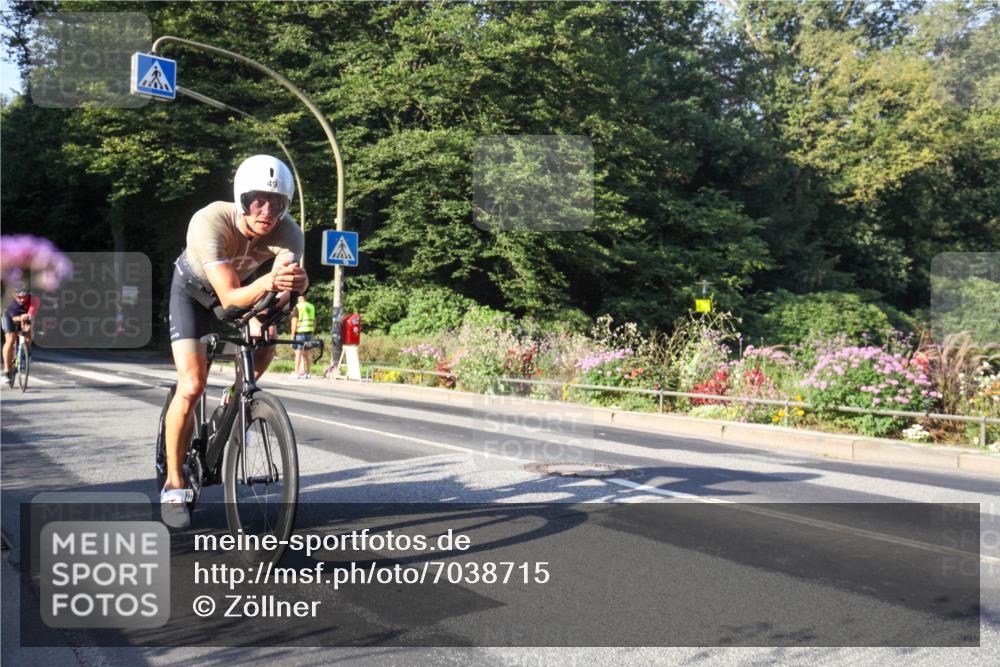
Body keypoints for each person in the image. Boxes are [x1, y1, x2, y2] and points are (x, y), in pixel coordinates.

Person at [162, 155, 308, 528]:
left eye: (276, 204)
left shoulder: (289, 232)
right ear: (241, 199)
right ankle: (174, 482)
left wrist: (293, 290)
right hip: (194, 293)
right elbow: (227, 297)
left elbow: (281, 292)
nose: (266, 212)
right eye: (257, 201)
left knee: (268, 336)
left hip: (241, 290)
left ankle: (235, 398)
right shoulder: (210, 221)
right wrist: (267, 285)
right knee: (192, 384)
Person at [2, 288, 39, 379]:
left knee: (28, 330)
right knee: (10, 339)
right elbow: (13, 318)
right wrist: (21, 318)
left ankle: (26, 352)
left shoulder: (34, 300)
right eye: (19, 297)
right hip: (9, 316)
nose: (22, 299)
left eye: (24, 297)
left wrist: (28, 325)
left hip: (25, 315)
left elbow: (31, 315)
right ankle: (7, 369)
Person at [290, 294, 316, 379]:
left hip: (299, 333)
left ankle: (296, 372)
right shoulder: (311, 306)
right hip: (309, 332)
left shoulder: (297, 307)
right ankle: (308, 373)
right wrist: (313, 331)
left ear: (300, 298)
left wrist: (292, 335)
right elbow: (314, 320)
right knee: (309, 353)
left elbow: (294, 321)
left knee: (298, 352)